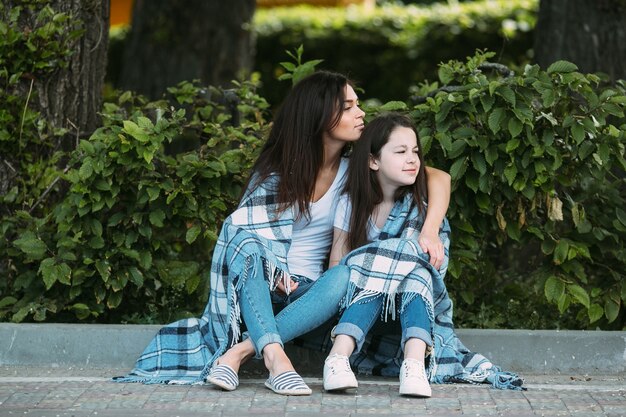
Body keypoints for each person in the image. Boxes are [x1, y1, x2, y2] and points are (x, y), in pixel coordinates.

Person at [116, 72, 452, 395]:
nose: (360, 112)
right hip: (263, 287)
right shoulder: (278, 174)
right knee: (244, 242)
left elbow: (435, 177)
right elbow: (245, 232)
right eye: (348, 106)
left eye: (357, 104)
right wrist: (272, 266)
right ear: (321, 116)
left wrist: (430, 230)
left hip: (317, 296)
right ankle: (277, 362)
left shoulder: (355, 171)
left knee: (344, 273)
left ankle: (240, 354)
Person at [320, 113, 524, 396]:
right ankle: (337, 358)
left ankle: (413, 364)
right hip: (360, 315)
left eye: (415, 151)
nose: (413, 159)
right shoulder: (351, 204)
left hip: (410, 313)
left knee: (416, 271)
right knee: (384, 269)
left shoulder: (422, 209)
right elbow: (337, 266)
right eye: (401, 152)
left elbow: (434, 273)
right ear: (373, 160)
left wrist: (418, 239)